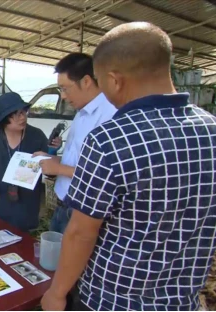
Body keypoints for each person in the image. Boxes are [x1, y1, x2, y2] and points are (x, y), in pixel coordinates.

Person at [41, 22, 216, 311]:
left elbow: (82, 232)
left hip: (114, 301)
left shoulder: (112, 138)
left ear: (114, 79)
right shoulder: (210, 130)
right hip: (182, 301)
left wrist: (58, 292)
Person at [36, 53, 117, 234]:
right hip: (64, 203)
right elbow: (78, 159)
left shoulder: (110, 116)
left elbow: (104, 175)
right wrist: (52, 159)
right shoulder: (81, 112)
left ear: (86, 81)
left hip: (84, 211)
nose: (63, 96)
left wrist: (59, 169)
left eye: (65, 88)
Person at [0, 92, 48, 231]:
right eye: (17, 114)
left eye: (24, 112)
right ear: (4, 119)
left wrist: (53, 152)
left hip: (25, 210)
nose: (23, 117)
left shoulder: (37, 136)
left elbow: (48, 166)